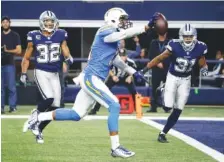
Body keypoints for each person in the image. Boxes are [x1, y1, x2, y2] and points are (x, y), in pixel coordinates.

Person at [23, 8, 160, 158]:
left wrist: (135, 72)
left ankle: (38, 117)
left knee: (76, 114)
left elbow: (117, 61)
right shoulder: (105, 30)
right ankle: (115, 147)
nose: (124, 22)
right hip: (91, 78)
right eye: (121, 19)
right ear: (113, 19)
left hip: (93, 79)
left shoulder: (113, 41)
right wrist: (145, 28)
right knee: (114, 105)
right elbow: (123, 34)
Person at [142, 23, 208, 143]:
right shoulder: (174, 45)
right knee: (167, 107)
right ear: (181, 36)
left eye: (190, 36)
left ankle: (163, 133)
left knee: (178, 109)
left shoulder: (201, 47)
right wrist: (145, 68)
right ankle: (163, 89)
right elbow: (160, 58)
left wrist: (204, 68)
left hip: (186, 79)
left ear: (195, 36)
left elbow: (202, 61)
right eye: (185, 36)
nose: (188, 39)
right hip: (172, 76)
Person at [20, 11, 73, 143]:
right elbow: (26, 57)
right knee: (49, 98)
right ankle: (35, 113)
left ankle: (39, 129)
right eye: (46, 21)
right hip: (41, 71)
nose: (49, 23)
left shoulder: (61, 34)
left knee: (56, 106)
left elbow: (65, 49)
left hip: (55, 73)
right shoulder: (34, 36)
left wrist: (68, 57)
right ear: (41, 22)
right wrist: (23, 73)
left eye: (51, 21)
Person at [88, 48, 137, 115]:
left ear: (126, 56)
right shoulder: (114, 61)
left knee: (133, 91)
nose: (122, 58)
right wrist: (113, 76)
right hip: (115, 77)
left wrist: (130, 77)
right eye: (121, 56)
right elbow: (108, 69)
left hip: (126, 78)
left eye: (124, 56)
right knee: (103, 90)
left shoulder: (131, 62)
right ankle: (95, 109)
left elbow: (134, 71)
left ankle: (136, 108)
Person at [146, 15, 170, 113]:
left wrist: (164, 63)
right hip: (156, 69)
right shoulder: (154, 43)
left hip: (167, 69)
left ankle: (167, 106)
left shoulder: (170, 42)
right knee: (154, 88)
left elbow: (171, 56)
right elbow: (151, 56)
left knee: (168, 89)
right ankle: (153, 107)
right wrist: (157, 63)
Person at [1, 16, 22, 114]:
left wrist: (7, 50)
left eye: (7, 22)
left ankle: (12, 107)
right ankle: (1, 107)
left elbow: (19, 50)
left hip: (9, 64)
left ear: (10, 23)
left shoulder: (14, 35)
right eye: (3, 22)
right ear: (1, 24)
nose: (5, 24)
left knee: (11, 87)